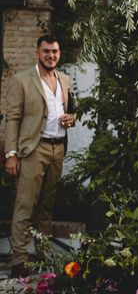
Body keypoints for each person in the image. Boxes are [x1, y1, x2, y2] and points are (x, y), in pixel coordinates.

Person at [4, 35, 76, 278]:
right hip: (34, 150)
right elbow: (12, 119)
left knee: (46, 208)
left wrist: (72, 118)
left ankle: (43, 256)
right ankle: (19, 263)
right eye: (46, 51)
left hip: (58, 150)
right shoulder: (21, 80)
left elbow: (71, 111)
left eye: (54, 52)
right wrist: (11, 154)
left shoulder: (65, 79)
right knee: (25, 207)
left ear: (59, 53)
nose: (51, 56)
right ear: (37, 53)